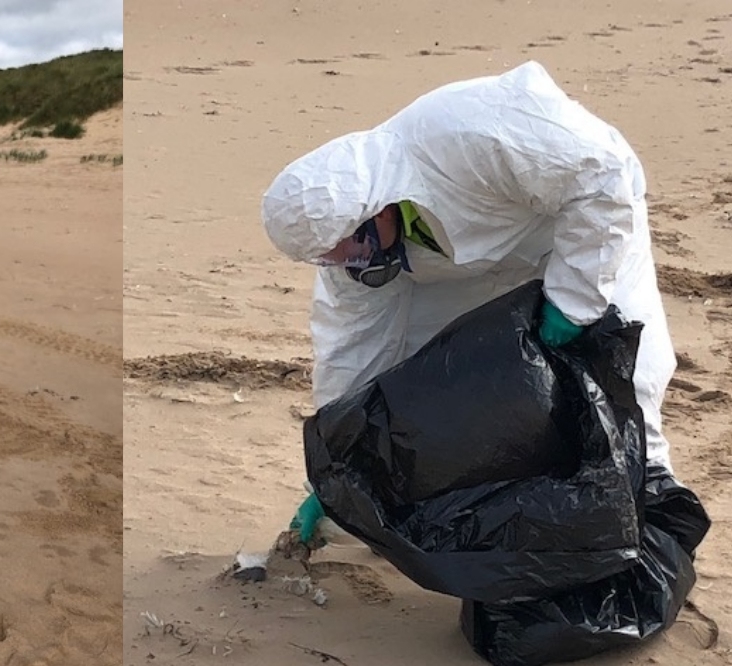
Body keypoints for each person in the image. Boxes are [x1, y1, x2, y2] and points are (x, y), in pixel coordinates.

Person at [261, 61, 678, 544]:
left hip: (576, 234)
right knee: (428, 390)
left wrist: (572, 300)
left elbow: (604, 179)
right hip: (454, 264)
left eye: (355, 246)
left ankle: (649, 527)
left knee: (622, 378)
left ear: (373, 206)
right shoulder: (354, 260)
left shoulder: (468, 133)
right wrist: (336, 470)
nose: (354, 263)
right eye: (332, 259)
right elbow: (352, 352)